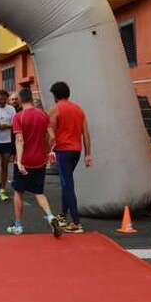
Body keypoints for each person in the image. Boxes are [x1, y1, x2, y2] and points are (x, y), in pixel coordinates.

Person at [7, 87, 62, 238]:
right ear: (31, 98)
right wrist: (46, 151)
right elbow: (52, 137)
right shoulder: (43, 115)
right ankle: (50, 216)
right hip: (40, 160)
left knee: (18, 192)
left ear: (20, 100)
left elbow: (19, 140)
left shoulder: (19, 117)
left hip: (25, 160)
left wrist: (19, 161)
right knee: (39, 192)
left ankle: (18, 225)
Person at [47, 82, 92, 234]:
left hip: (63, 151)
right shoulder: (78, 109)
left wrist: (48, 150)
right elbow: (86, 134)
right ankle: (62, 215)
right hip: (76, 151)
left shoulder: (55, 109)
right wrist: (88, 154)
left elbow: (51, 132)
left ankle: (77, 223)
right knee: (65, 182)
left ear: (55, 95)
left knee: (67, 185)